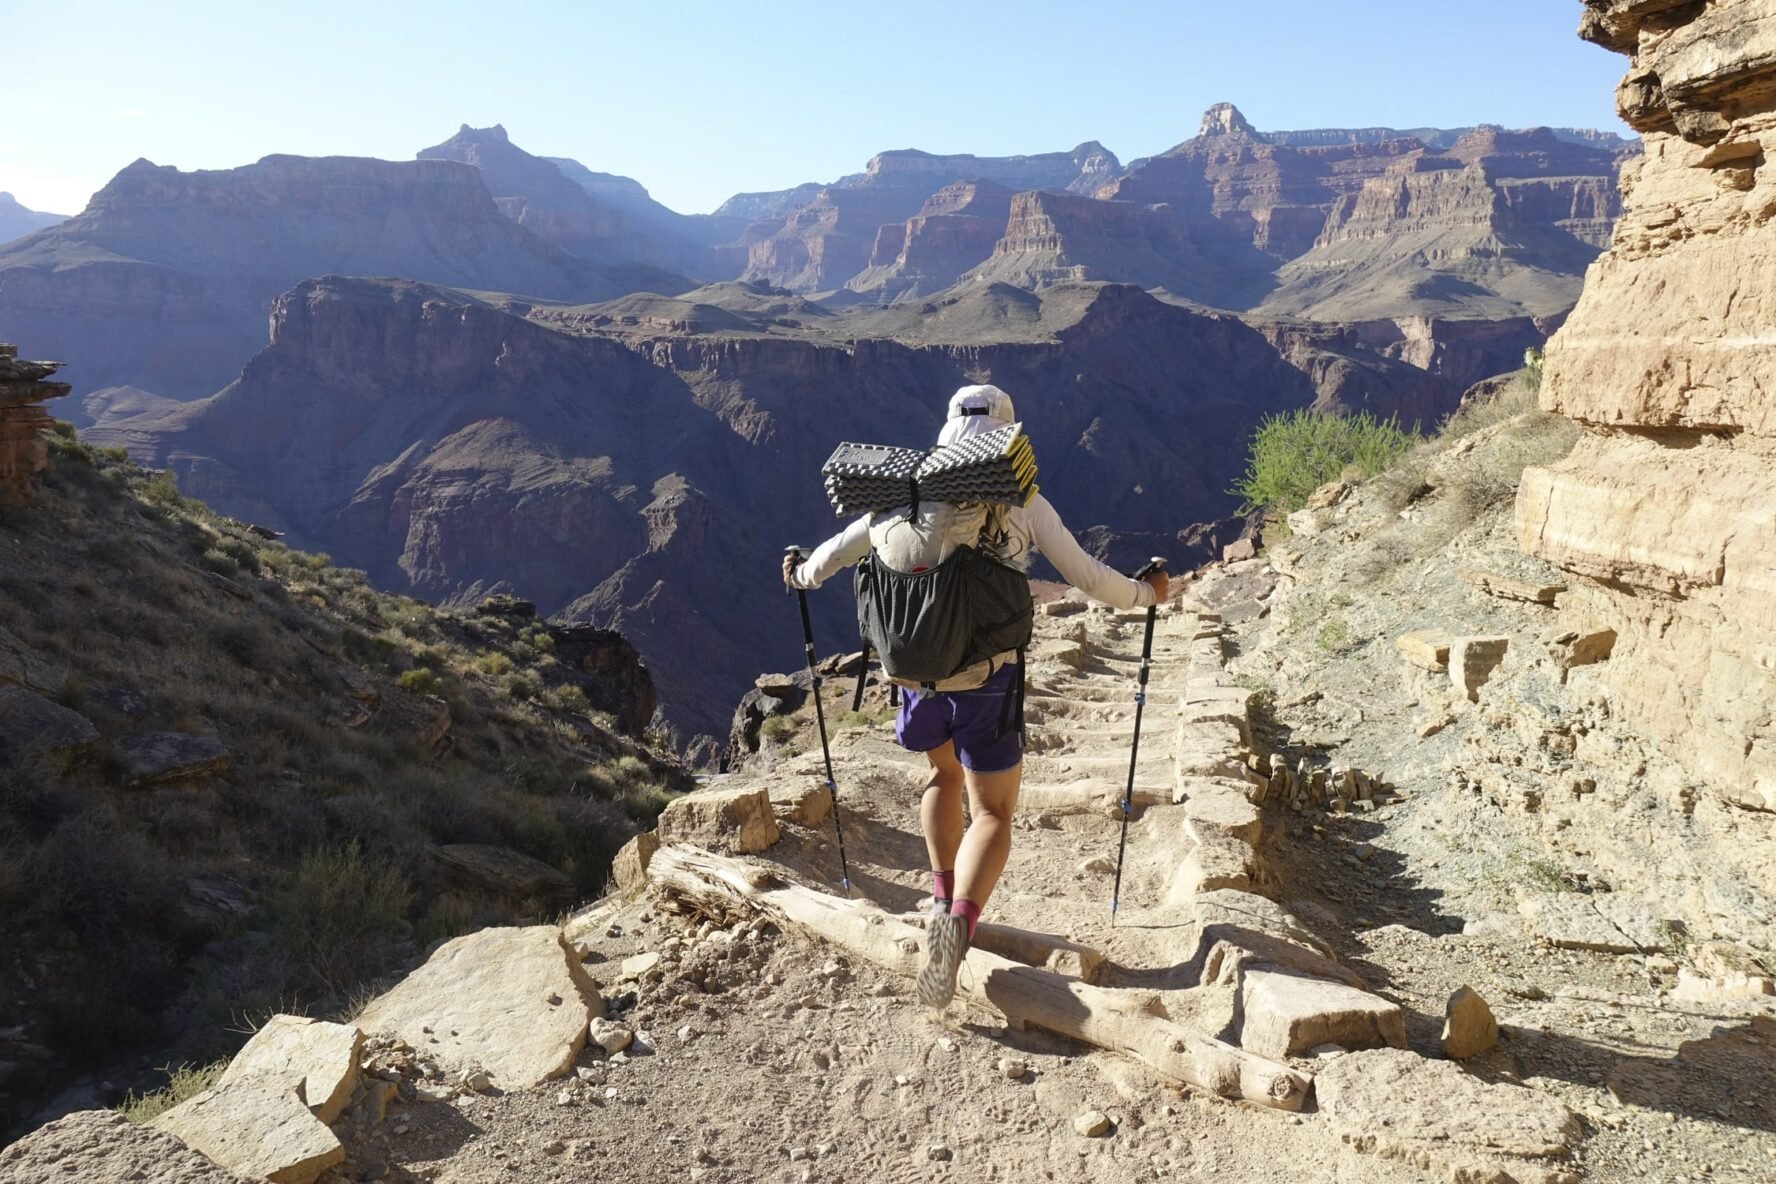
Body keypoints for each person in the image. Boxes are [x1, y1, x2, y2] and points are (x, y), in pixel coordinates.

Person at [782, 384, 1170, 1007]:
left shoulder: (897, 496)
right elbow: (1088, 576)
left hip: (913, 676)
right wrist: (1149, 593)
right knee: (991, 811)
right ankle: (957, 925)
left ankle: (940, 897)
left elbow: (824, 561)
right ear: (1007, 436)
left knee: (941, 778)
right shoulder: (1018, 500)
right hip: (985, 676)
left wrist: (797, 570)